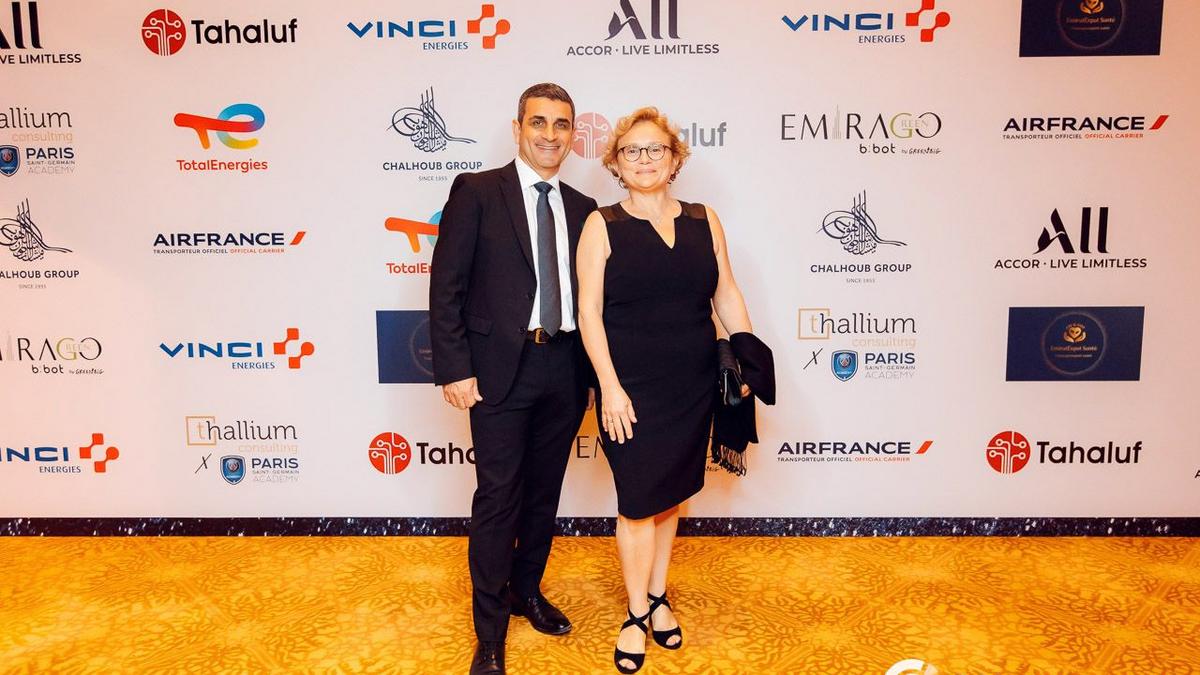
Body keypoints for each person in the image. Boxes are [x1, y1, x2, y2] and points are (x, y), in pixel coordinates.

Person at [576, 107, 754, 673]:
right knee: (637, 502)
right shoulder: (602, 224)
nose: (644, 159)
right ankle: (635, 614)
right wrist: (609, 388)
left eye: (655, 149)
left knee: (670, 494)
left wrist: (748, 353)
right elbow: (588, 312)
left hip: (692, 384)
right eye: (632, 151)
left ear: (675, 158)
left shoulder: (705, 219)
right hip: (629, 388)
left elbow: (726, 292)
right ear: (616, 163)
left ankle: (657, 596)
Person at [429, 83, 598, 675]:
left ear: (573, 135)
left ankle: (527, 592)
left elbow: (594, 300)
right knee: (498, 500)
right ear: (517, 127)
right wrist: (456, 368)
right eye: (539, 122)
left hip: (565, 366)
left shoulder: (583, 207)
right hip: (500, 370)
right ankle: (490, 631)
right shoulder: (477, 191)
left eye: (561, 125)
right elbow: (446, 286)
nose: (550, 134)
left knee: (544, 494)